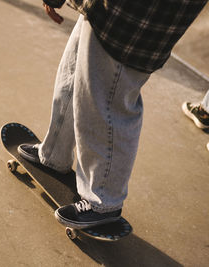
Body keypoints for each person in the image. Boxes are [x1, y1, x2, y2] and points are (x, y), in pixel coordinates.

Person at [18, 0, 208, 229]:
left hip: (132, 16)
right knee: (74, 69)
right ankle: (54, 154)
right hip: (108, 8)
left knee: (107, 101)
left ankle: (102, 202)